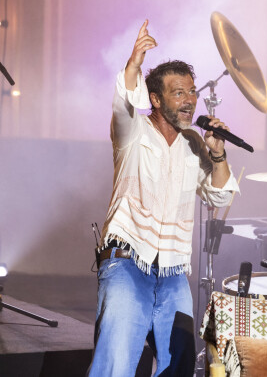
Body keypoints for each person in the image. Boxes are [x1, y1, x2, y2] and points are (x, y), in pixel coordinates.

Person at [87, 20, 240, 376]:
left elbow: (219, 198)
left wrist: (218, 152)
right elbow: (123, 102)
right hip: (127, 263)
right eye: (178, 93)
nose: (190, 101)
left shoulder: (195, 144)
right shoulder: (132, 131)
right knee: (116, 364)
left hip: (172, 273)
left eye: (192, 93)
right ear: (154, 99)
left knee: (179, 364)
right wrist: (134, 63)